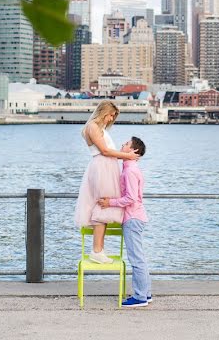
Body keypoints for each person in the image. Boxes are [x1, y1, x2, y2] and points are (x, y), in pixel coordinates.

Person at [74, 100, 140, 264]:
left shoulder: (99, 128)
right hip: (102, 167)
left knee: (105, 205)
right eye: (111, 115)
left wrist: (125, 157)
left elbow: (108, 152)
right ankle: (96, 250)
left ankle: (99, 250)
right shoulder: (93, 127)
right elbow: (104, 151)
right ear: (104, 111)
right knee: (103, 205)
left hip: (106, 166)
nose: (111, 119)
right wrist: (128, 156)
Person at [98, 136, 151, 308]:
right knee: (139, 258)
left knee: (136, 259)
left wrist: (109, 203)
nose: (122, 144)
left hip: (133, 218)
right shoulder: (129, 167)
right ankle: (146, 293)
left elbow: (131, 198)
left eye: (127, 144)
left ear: (134, 151)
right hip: (136, 217)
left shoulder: (129, 171)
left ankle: (141, 296)